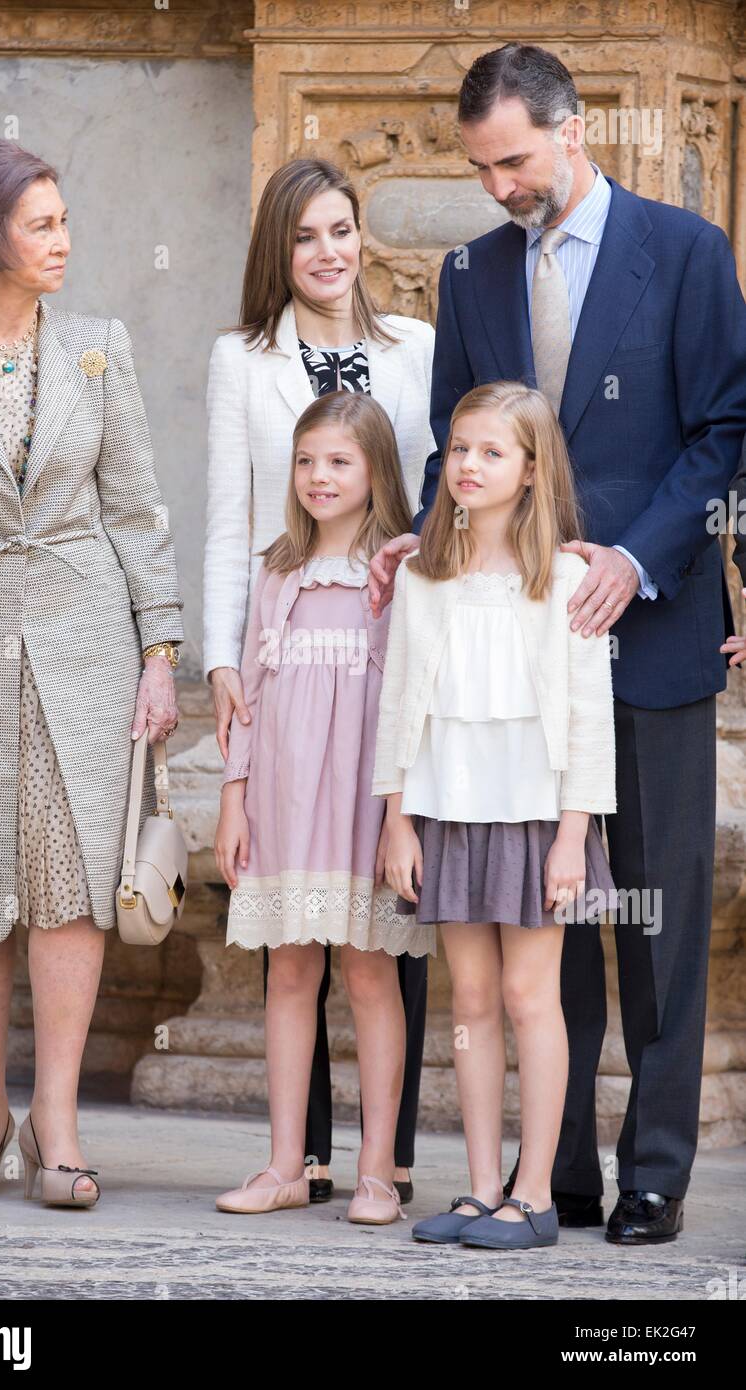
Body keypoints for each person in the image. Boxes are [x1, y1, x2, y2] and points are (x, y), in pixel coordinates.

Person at [367, 43, 746, 1244]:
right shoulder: (471, 274)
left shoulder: (683, 252)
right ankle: (554, 1172)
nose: (498, 188)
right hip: (506, 666)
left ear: (572, 130)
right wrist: (420, 536)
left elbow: (724, 427)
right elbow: (451, 445)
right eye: (480, 167)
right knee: (546, 913)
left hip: (654, 629)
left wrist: (632, 561)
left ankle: (653, 1172)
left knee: (656, 918)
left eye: (514, 161)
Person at [0, 140, 183, 1207]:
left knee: (66, 886)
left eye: (63, 219)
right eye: (40, 224)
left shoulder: (99, 346)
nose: (64, 240)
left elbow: (137, 509)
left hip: (84, 642)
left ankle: (55, 1114)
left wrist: (160, 652)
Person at [204, 157, 435, 1202]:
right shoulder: (240, 360)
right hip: (280, 663)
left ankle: (384, 1164)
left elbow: (439, 502)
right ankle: (292, 1156)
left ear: (361, 240)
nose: (326, 251)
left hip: (379, 665)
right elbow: (226, 523)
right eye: (303, 236)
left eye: (340, 230)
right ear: (278, 251)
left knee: (375, 957)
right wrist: (219, 663)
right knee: (290, 955)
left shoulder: (413, 350)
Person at [374, 381, 616, 1249]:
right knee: (469, 995)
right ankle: (479, 1189)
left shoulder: (569, 579)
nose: (468, 465)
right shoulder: (421, 575)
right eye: (461, 449)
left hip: (535, 820)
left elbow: (589, 726)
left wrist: (572, 841)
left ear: (531, 469)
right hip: (447, 811)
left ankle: (538, 1194)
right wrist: (397, 819)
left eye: (492, 452)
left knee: (526, 996)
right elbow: (400, 704)